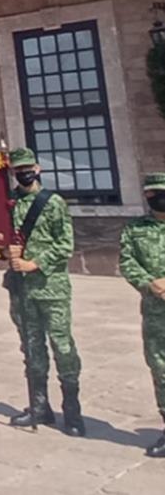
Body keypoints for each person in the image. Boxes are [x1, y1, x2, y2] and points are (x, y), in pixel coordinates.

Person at [4, 147, 84, 436]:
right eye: (17, 169)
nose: (23, 173)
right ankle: (40, 406)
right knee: (31, 347)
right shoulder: (7, 202)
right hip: (21, 291)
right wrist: (5, 252)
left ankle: (72, 411)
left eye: (27, 167)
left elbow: (65, 244)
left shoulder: (53, 203)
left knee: (62, 347)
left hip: (52, 288)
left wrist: (34, 263)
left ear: (37, 168)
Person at [118, 172, 165, 458]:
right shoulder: (135, 228)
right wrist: (150, 282)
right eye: (151, 194)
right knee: (161, 370)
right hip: (155, 310)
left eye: (160, 192)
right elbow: (127, 261)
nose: (156, 198)